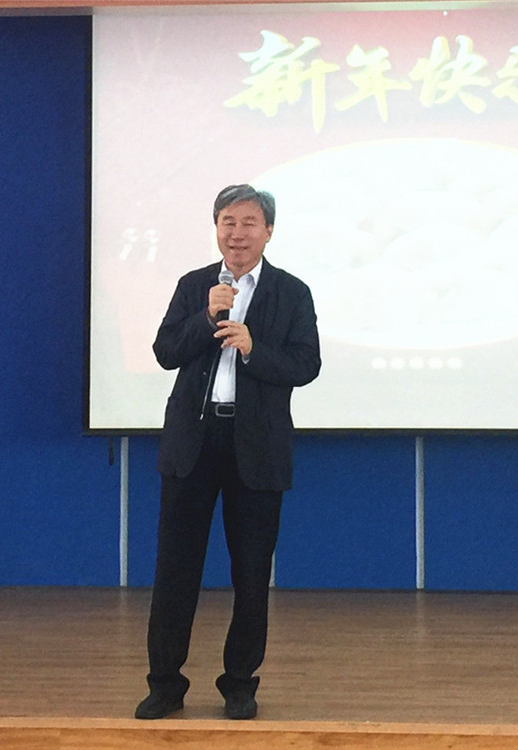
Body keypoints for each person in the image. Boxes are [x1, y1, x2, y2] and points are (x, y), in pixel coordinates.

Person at [135, 184, 321, 721]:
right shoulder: (196, 285)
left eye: (248, 223)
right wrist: (205, 319)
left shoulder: (291, 292)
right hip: (193, 444)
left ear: (269, 231)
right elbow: (166, 351)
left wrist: (254, 349)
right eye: (228, 222)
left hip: (255, 447)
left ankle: (240, 684)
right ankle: (165, 685)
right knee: (175, 572)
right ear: (216, 228)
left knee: (251, 575)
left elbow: (306, 365)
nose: (237, 234)